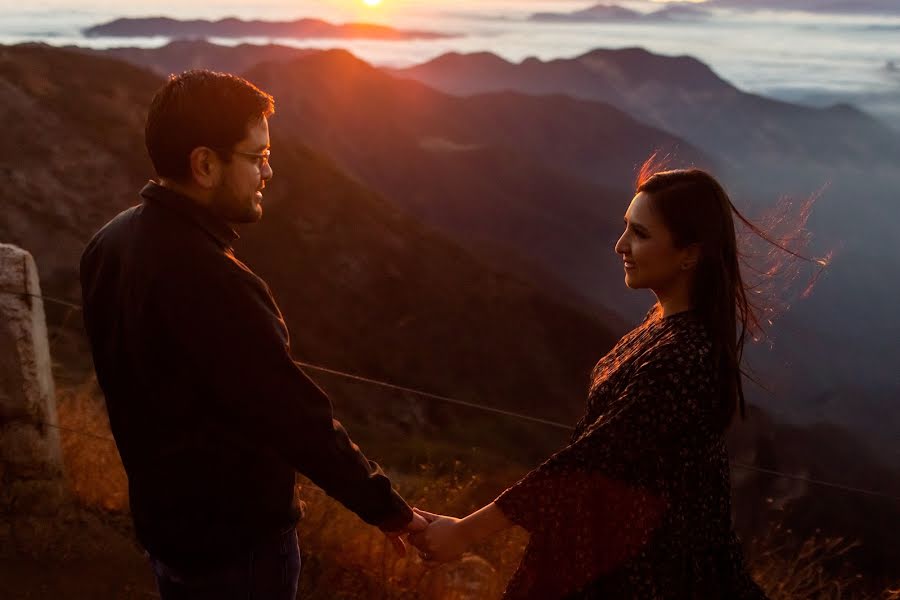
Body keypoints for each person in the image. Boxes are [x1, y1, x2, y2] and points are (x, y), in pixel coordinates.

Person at [79, 70, 425, 599]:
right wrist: (389, 511)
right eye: (257, 156)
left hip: (165, 528)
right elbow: (294, 417)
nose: (269, 170)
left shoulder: (109, 243)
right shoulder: (215, 281)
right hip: (235, 547)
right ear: (205, 164)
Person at [409, 166, 777, 598]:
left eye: (639, 234)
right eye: (625, 228)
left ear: (689, 254)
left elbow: (591, 461)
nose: (620, 245)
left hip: (652, 577)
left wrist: (467, 533)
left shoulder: (684, 357)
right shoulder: (666, 333)